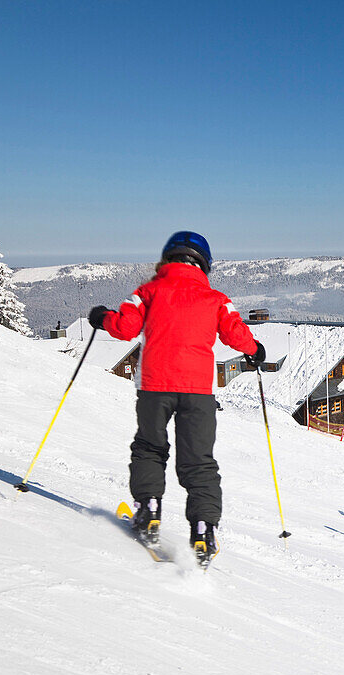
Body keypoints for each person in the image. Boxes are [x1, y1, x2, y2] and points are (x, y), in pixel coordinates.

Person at [89, 231, 263, 566]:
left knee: (150, 448)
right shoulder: (216, 299)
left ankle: (149, 509)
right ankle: (203, 531)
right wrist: (256, 351)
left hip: (155, 387)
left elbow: (125, 327)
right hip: (198, 393)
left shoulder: (149, 291)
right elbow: (236, 333)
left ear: (168, 258)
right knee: (198, 462)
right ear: (204, 264)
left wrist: (101, 317)